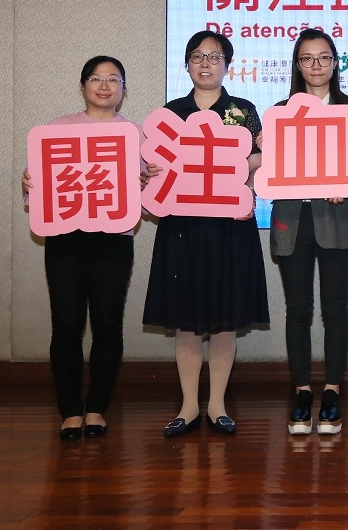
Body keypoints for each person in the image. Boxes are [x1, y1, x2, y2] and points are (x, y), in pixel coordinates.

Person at [141, 30, 270, 437]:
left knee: (226, 317)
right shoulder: (171, 113)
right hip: (182, 227)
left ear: (227, 66)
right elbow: (154, 166)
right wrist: (150, 171)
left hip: (230, 225)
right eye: (197, 56)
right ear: (186, 65)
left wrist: (255, 161)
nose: (205, 63)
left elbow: (259, 161)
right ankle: (188, 405)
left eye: (214, 57)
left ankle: (217, 405)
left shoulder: (243, 110)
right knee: (186, 318)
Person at [21, 57, 143, 440]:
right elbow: (40, 192)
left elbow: (151, 195)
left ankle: (97, 409)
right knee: (67, 325)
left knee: (107, 325)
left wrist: (146, 181)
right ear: (83, 86)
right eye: (95, 78)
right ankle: (70, 410)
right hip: (65, 239)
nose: (104, 86)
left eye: (113, 79)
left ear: (124, 89)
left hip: (114, 240)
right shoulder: (57, 128)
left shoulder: (135, 134)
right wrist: (30, 183)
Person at [267, 29, 348, 436]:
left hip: (336, 217)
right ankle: (302, 391)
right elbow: (272, 171)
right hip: (292, 219)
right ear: (297, 65)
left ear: (336, 63)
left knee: (335, 308)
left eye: (324, 57)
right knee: (298, 310)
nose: (316, 66)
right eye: (307, 58)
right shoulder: (279, 111)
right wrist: (265, 149)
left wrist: (345, 184)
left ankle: (332, 391)